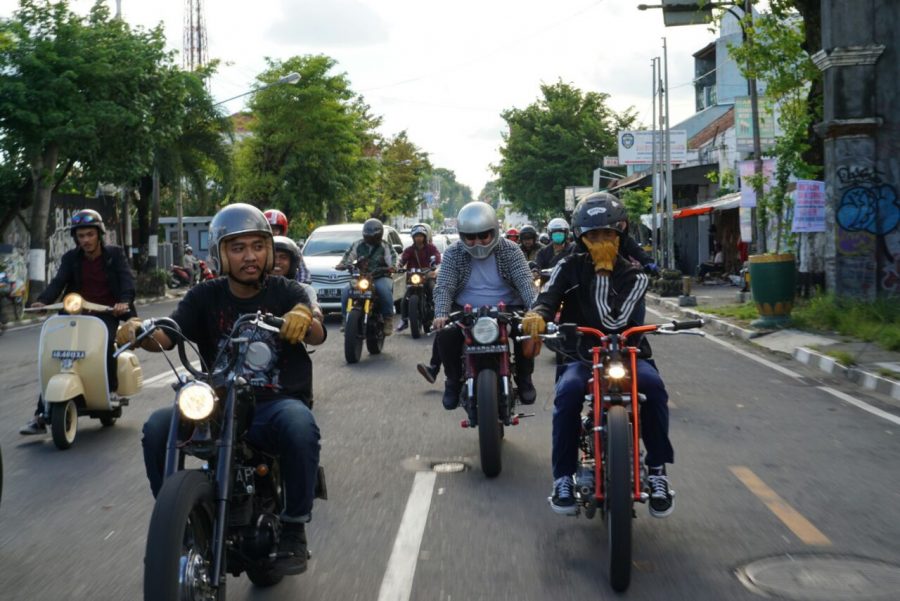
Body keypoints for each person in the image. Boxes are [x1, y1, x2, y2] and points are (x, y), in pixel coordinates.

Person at [120, 203, 326, 575]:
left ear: (269, 250)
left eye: (258, 246)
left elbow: (314, 323)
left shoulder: (286, 290)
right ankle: (176, 519)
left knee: (300, 425)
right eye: (238, 247)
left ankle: (295, 527)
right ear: (220, 254)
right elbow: (169, 333)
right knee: (156, 427)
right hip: (219, 404)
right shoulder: (205, 296)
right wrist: (140, 333)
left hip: (274, 403)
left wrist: (303, 317)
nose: (250, 256)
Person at [521, 192, 675, 518]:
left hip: (630, 353)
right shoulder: (567, 266)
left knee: (655, 389)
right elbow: (548, 298)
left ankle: (658, 470)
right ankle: (563, 476)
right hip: (581, 352)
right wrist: (538, 314)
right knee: (567, 394)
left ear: (621, 234)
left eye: (608, 234)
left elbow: (614, 323)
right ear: (581, 237)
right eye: (594, 235)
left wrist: (604, 275)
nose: (601, 240)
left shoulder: (635, 274)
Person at [20, 209, 136, 435]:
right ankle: (41, 415)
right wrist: (42, 301)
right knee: (55, 355)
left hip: (107, 313)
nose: (85, 240)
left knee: (106, 346)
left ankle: (110, 389)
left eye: (90, 235)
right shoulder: (71, 258)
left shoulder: (114, 254)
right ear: (76, 238)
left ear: (98, 234)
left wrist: (123, 301)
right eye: (81, 236)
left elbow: (126, 280)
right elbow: (58, 282)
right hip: (76, 312)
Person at [430, 201, 538, 408]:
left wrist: (535, 310)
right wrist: (441, 313)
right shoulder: (453, 253)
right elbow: (443, 286)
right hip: (464, 310)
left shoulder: (511, 250)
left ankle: (524, 377)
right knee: (445, 335)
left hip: (508, 308)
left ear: (494, 231)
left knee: (526, 330)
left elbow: (525, 282)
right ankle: (452, 381)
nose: (477, 242)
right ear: (462, 236)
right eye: (470, 237)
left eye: (483, 236)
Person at [336, 218, 398, 336]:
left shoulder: (385, 246)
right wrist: (342, 264)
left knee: (384, 290)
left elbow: (393, 258)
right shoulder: (357, 244)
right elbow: (348, 256)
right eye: (367, 236)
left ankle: (388, 320)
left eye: (372, 236)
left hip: (380, 276)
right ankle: (345, 319)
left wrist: (393, 267)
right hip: (361, 277)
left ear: (379, 235)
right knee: (345, 291)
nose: (369, 239)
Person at [397, 223, 441, 332]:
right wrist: (398, 266)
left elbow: (437, 258)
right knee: (404, 298)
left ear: (425, 237)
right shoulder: (409, 250)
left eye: (421, 236)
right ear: (413, 237)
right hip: (413, 276)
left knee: (432, 288)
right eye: (416, 236)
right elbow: (402, 260)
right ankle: (404, 320)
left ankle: (436, 312)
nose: (419, 238)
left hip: (427, 275)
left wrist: (434, 269)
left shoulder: (431, 248)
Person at [273, 235, 322, 322]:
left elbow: (314, 309)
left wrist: (314, 313)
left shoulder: (304, 290)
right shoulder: (254, 288)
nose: (277, 262)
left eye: (283, 257)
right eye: (273, 257)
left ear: (292, 263)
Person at [265, 208, 311, 284]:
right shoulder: (259, 249)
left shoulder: (292, 247)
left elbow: (304, 274)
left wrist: (299, 290)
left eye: (275, 229)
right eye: (269, 229)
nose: (272, 232)